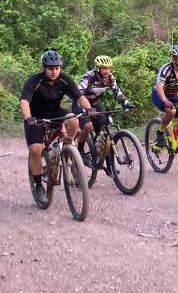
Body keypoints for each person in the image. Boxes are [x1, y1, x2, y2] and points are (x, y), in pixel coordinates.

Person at [20, 50, 94, 205]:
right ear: (44, 68)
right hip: (36, 117)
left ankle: (67, 148)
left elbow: (79, 96)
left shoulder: (64, 80)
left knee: (73, 119)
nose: (54, 71)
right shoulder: (34, 80)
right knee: (36, 149)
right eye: (50, 68)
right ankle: (39, 186)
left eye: (57, 68)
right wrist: (28, 117)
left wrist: (88, 108)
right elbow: (24, 101)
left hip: (55, 112)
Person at [73, 55, 136, 158]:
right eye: (104, 68)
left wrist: (126, 103)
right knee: (88, 126)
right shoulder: (88, 77)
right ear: (98, 68)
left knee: (103, 130)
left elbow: (117, 92)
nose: (107, 71)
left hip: (94, 104)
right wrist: (87, 108)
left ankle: (102, 157)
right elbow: (78, 93)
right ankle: (80, 149)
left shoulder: (110, 78)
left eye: (109, 68)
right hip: (80, 104)